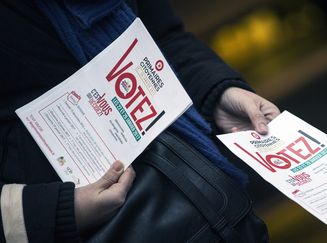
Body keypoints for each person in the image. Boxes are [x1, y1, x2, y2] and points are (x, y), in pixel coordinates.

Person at [0, 0, 280, 242]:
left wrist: (217, 91)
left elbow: (161, 36)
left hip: (208, 206)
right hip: (91, 224)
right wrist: (53, 211)